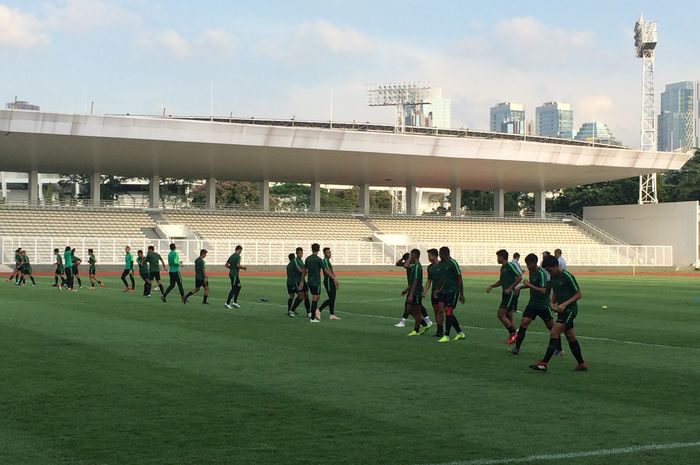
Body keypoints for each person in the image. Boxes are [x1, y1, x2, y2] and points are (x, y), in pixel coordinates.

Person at [530, 255, 587, 372]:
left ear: (556, 266)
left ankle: (544, 363)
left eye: (550, 270)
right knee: (570, 337)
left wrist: (564, 304)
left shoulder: (568, 277)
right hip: (562, 311)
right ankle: (581, 364)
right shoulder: (553, 277)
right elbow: (554, 292)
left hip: (570, 310)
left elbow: (578, 294)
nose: (548, 272)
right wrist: (553, 303)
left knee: (554, 332)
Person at [511, 253, 562, 356]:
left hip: (543, 305)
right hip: (532, 304)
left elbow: (543, 290)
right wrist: (520, 287)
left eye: (529, 264)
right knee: (523, 324)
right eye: (527, 264)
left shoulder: (541, 274)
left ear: (535, 263)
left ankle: (559, 349)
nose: (528, 267)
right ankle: (516, 348)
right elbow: (532, 284)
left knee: (552, 328)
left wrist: (528, 284)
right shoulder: (532, 271)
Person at [486, 249, 522, 344]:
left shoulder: (510, 265)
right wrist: (492, 286)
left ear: (502, 257)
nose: (497, 259)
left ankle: (513, 333)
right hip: (505, 293)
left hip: (509, 294)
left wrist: (510, 288)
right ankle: (515, 338)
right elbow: (501, 281)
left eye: (498, 257)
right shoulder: (503, 267)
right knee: (509, 315)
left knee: (500, 314)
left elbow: (519, 277)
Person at [434, 246, 466, 342]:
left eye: (440, 253)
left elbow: (459, 278)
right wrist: (437, 289)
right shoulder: (442, 264)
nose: (439, 255)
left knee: (448, 311)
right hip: (444, 291)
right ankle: (460, 332)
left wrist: (461, 294)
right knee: (448, 312)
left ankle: (446, 335)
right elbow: (442, 279)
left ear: (445, 254)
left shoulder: (453, 263)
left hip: (453, 291)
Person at [394, 252, 433, 329]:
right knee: (416, 306)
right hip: (412, 288)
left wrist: (408, 290)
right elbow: (397, 264)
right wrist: (403, 258)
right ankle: (426, 321)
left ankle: (406, 322)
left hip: (415, 289)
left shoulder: (414, 266)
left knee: (412, 306)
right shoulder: (411, 264)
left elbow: (406, 266)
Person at [404, 249, 428, 337]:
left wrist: (411, 294)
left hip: (416, 293)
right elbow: (406, 266)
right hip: (412, 291)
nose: (410, 257)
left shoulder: (418, 267)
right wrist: (407, 289)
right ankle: (424, 324)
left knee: (417, 311)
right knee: (408, 309)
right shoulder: (414, 266)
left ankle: (416, 330)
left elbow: (416, 281)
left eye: (411, 255)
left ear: (414, 255)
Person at [422, 248, 443, 337]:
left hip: (442, 292)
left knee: (441, 311)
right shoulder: (430, 267)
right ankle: (439, 330)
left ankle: (441, 329)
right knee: (436, 312)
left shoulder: (442, 266)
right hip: (433, 294)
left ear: (435, 256)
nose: (428, 258)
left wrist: (440, 290)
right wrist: (425, 291)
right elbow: (429, 280)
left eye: (429, 256)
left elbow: (445, 280)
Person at [303, 243, 324, 323]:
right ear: (318, 249)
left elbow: (304, 270)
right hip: (316, 282)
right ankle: (312, 318)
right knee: (315, 298)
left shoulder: (308, 259)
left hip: (309, 281)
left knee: (316, 297)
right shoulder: (318, 259)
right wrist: (333, 277)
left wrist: (302, 280)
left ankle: (313, 313)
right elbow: (324, 269)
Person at [318, 247, 340, 320]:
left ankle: (332, 314)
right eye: (328, 252)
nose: (329, 254)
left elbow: (331, 271)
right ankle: (319, 310)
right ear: (324, 253)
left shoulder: (327, 261)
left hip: (331, 280)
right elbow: (328, 271)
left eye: (330, 252)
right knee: (331, 298)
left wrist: (334, 280)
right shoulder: (325, 261)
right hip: (328, 280)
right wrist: (335, 279)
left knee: (332, 298)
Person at [288, 247, 311, 317]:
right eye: (299, 253)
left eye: (302, 253)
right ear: (296, 253)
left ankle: (308, 312)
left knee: (306, 296)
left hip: (303, 280)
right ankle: (291, 310)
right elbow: (300, 270)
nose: (301, 254)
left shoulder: (301, 261)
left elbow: (303, 271)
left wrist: (305, 271)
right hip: (297, 281)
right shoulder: (295, 261)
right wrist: (307, 271)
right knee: (301, 296)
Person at [286, 253, 300, 317]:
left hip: (288, 282)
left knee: (291, 295)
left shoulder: (288, 265)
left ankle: (289, 309)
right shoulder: (294, 264)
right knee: (300, 295)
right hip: (294, 282)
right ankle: (292, 309)